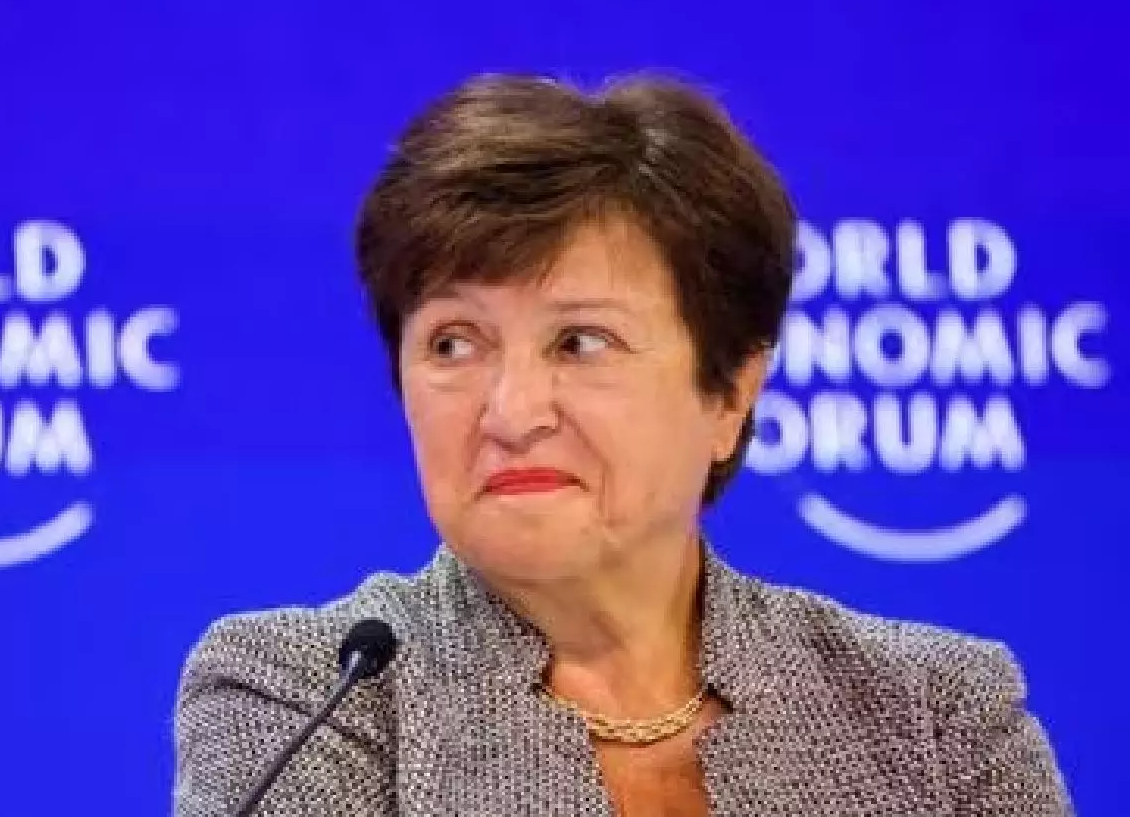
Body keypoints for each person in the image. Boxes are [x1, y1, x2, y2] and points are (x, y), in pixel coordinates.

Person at [172, 73, 1072, 815]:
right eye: (453, 343)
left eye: (580, 342)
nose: (511, 411)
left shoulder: (935, 714)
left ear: (729, 391)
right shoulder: (306, 694)